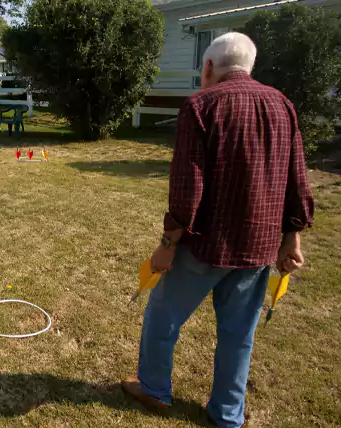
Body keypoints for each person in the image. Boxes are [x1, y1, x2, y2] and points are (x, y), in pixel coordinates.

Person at [121, 32, 314, 428]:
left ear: (208, 67)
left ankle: (155, 390)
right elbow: (298, 179)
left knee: (162, 317)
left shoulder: (200, 105)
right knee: (238, 334)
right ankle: (227, 414)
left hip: (204, 245)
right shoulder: (284, 105)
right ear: (249, 66)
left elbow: (187, 186)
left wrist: (167, 244)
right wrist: (292, 237)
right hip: (259, 248)